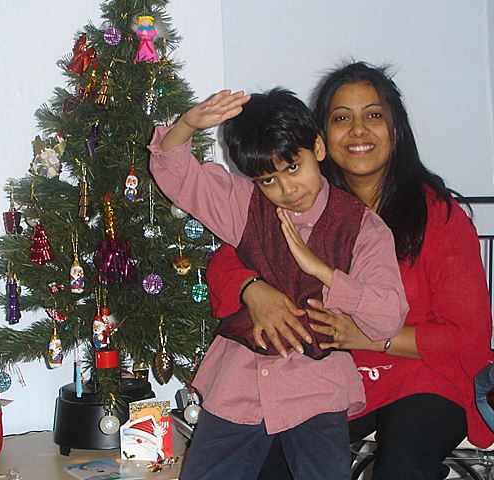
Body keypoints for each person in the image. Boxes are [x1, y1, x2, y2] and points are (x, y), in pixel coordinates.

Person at [207, 61, 494, 479]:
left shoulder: (439, 216)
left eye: (373, 115)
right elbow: (227, 259)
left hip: (424, 378)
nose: (358, 130)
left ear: (395, 128)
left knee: (402, 465)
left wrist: (372, 338)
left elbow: (468, 337)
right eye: (342, 118)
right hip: (327, 377)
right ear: (320, 139)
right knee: (271, 466)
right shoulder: (301, 198)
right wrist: (255, 290)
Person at [148, 88, 407, 479]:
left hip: (316, 385)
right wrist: (187, 124)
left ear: (317, 147)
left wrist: (322, 271)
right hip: (240, 381)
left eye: (293, 168)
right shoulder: (245, 204)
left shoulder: (363, 228)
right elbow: (175, 173)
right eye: (269, 179)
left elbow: (387, 318)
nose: (288, 190)